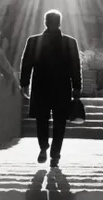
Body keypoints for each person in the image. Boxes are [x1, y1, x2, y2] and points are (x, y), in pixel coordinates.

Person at [20, 9, 82, 167]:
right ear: (59, 23)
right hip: (62, 88)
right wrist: (76, 87)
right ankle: (55, 153)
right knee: (60, 122)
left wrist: (24, 83)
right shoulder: (70, 42)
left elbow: (26, 63)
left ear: (45, 22)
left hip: (41, 87)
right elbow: (75, 67)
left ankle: (43, 147)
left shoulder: (33, 41)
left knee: (42, 120)